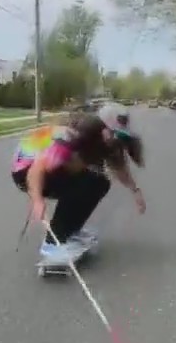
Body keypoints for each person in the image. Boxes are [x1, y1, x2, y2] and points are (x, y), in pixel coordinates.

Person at [11, 103, 145, 262]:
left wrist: (135, 191)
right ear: (100, 127)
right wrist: (37, 201)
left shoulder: (106, 142)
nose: (116, 139)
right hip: (26, 171)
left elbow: (119, 168)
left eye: (121, 136)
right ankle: (53, 243)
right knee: (91, 181)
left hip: (48, 171)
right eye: (114, 133)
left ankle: (70, 231)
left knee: (100, 182)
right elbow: (36, 169)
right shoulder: (72, 136)